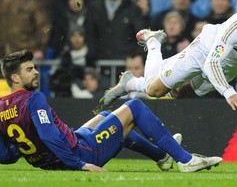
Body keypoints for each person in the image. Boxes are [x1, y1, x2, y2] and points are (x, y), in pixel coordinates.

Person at [0, 49, 222, 172]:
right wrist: (80, 164)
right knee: (134, 106)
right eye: (29, 69)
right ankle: (185, 160)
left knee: (106, 117)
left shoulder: (2, 106)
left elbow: (4, 155)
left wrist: (25, 149)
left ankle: (162, 155)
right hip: (78, 154)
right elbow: (48, 134)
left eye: (35, 67)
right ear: (15, 77)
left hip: (55, 155)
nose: (36, 72)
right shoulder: (34, 99)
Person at [101, 0, 237, 117]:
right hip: (205, 51)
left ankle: (130, 83)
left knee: (178, 94)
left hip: (228, 69)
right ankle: (153, 43)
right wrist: (228, 92)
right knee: (155, 90)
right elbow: (212, 62)